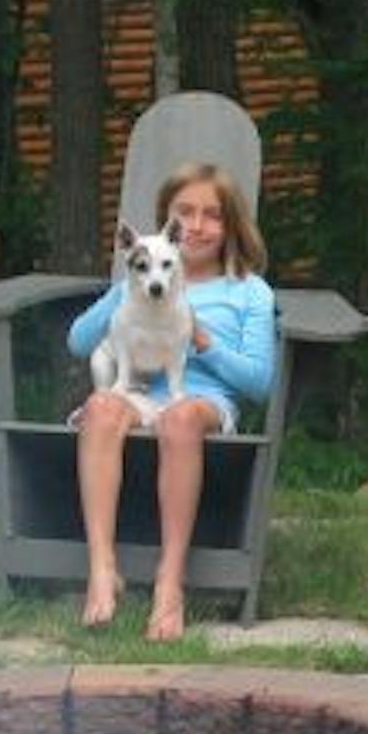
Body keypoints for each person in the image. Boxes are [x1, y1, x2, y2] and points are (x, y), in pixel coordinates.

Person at [67, 162, 277, 640]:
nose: (198, 226)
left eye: (213, 215)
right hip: (138, 393)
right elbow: (79, 343)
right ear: (168, 226)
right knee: (100, 408)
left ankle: (170, 582)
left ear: (231, 226)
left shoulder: (248, 292)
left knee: (180, 418)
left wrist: (203, 340)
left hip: (202, 402)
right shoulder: (142, 277)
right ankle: (101, 569)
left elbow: (261, 382)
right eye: (186, 214)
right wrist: (125, 291)